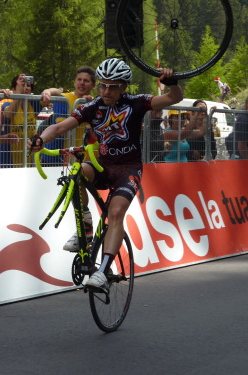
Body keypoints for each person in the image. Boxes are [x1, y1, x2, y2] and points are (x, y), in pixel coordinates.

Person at [31, 58, 183, 293]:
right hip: (102, 165)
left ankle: (102, 271)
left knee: (115, 212)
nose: (106, 90)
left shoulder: (137, 102)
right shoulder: (92, 107)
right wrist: (40, 138)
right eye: (102, 85)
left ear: (123, 86)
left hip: (128, 169)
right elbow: (60, 127)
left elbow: (174, 98)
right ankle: (87, 225)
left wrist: (172, 82)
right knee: (78, 172)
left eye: (112, 86)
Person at [0, 73, 42, 167]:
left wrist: (47, 92)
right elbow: (9, 113)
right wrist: (19, 94)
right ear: (13, 89)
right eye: (22, 85)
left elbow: (57, 92)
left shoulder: (33, 105)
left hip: (26, 162)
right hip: (6, 163)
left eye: (28, 85)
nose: (26, 88)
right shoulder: (7, 104)